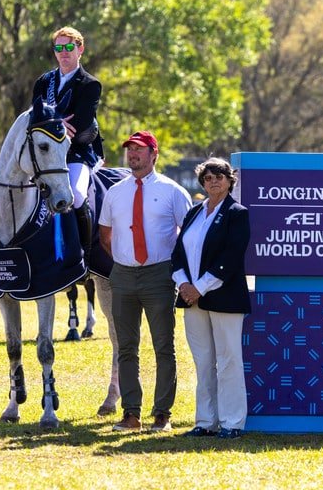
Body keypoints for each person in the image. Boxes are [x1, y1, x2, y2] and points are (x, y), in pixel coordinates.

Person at [98, 131, 191, 432]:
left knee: (164, 346)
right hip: (123, 275)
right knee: (126, 347)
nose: (133, 155)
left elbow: (188, 236)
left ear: (154, 154)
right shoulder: (115, 192)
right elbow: (105, 235)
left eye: (140, 150)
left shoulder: (173, 191)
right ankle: (131, 414)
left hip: (159, 275)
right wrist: (124, 261)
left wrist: (172, 271)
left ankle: (162, 413)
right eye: (130, 150)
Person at [171, 157, 251, 439]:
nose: (213, 181)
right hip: (192, 300)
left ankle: (232, 423)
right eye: (207, 177)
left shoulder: (237, 213)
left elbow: (229, 258)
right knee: (203, 362)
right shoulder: (193, 213)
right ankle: (205, 422)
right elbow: (178, 253)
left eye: (219, 176)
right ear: (202, 182)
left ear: (230, 181)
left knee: (229, 360)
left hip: (224, 298)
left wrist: (199, 287)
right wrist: (183, 284)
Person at [32, 26, 103, 268]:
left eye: (69, 47)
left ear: (80, 49)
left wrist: (51, 123)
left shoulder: (90, 84)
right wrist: (58, 123)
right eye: (59, 48)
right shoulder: (43, 81)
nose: (64, 53)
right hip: (44, 154)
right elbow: (34, 116)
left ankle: (84, 256)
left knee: (78, 194)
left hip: (77, 152)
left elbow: (80, 122)